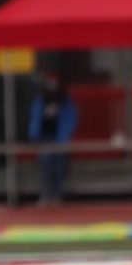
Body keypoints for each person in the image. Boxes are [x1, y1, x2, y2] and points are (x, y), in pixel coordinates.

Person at [26, 72, 77, 206]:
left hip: (60, 138)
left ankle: (57, 194)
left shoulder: (65, 101)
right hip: (44, 138)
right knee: (46, 163)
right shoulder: (41, 100)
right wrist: (34, 134)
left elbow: (70, 120)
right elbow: (35, 119)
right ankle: (46, 194)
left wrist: (64, 138)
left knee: (59, 165)